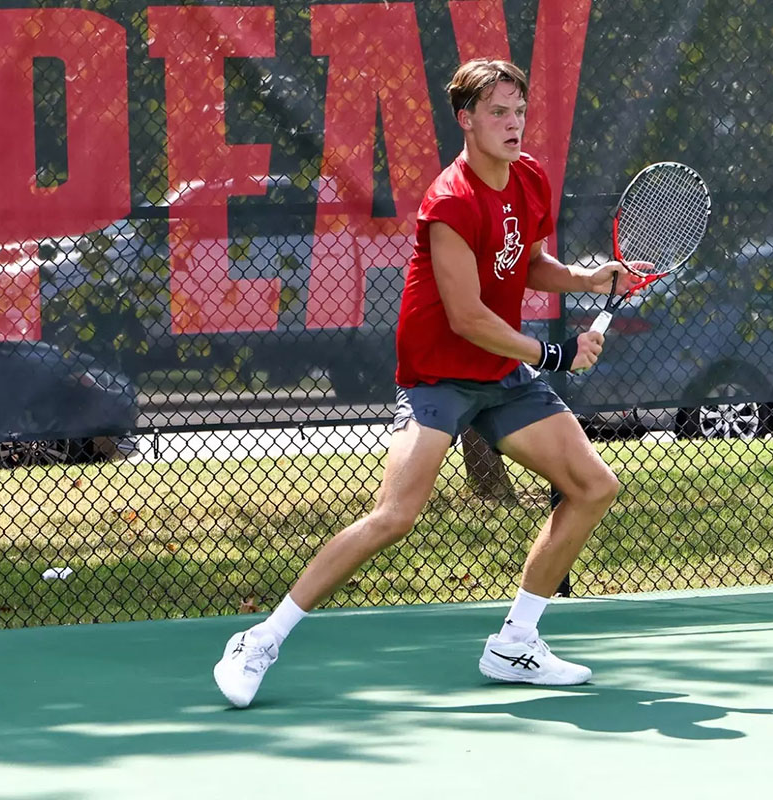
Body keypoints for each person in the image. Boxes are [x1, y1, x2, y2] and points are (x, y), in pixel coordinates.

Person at [213, 58, 641, 708]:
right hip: (438, 375)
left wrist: (587, 279)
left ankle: (515, 644)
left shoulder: (528, 179)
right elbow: (468, 317)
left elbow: (526, 263)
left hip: (499, 373)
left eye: (519, 112)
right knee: (394, 516)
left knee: (592, 486)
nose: (513, 124)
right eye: (498, 112)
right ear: (466, 120)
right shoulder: (450, 202)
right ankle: (261, 640)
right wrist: (554, 355)